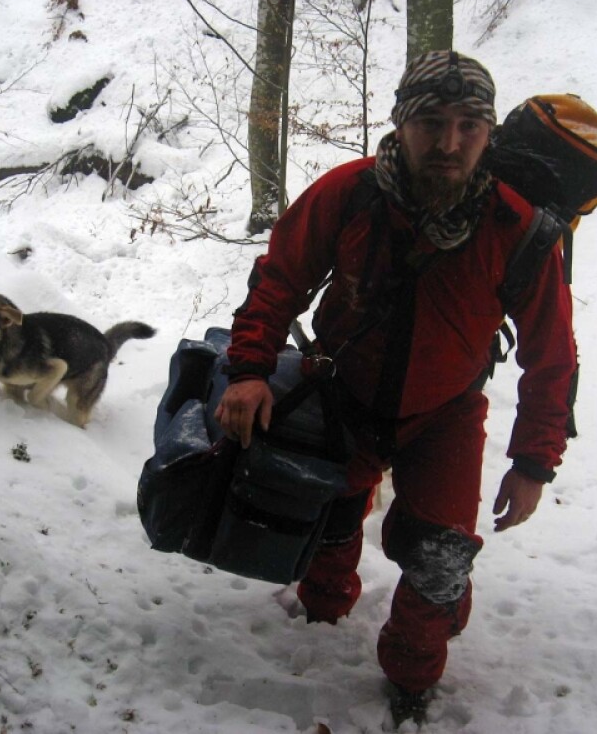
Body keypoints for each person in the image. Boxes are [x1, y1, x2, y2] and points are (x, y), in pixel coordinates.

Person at [214, 50, 577, 727]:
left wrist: (533, 462)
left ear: (489, 132)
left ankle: (411, 678)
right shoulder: (351, 192)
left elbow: (552, 358)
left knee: (441, 562)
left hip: (445, 415)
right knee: (331, 523)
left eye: (469, 125)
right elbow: (278, 280)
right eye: (431, 122)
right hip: (340, 393)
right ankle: (320, 615)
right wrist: (249, 372)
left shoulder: (517, 229)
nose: (449, 143)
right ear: (401, 124)